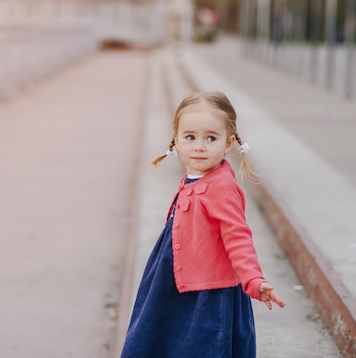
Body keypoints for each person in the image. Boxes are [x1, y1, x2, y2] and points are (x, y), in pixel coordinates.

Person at [120, 91, 285, 358]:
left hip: (210, 290)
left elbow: (238, 236)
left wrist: (253, 279)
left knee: (203, 345)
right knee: (164, 336)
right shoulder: (193, 176)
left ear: (228, 142)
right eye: (190, 137)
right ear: (176, 139)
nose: (199, 146)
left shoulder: (221, 187)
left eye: (211, 138)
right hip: (173, 279)